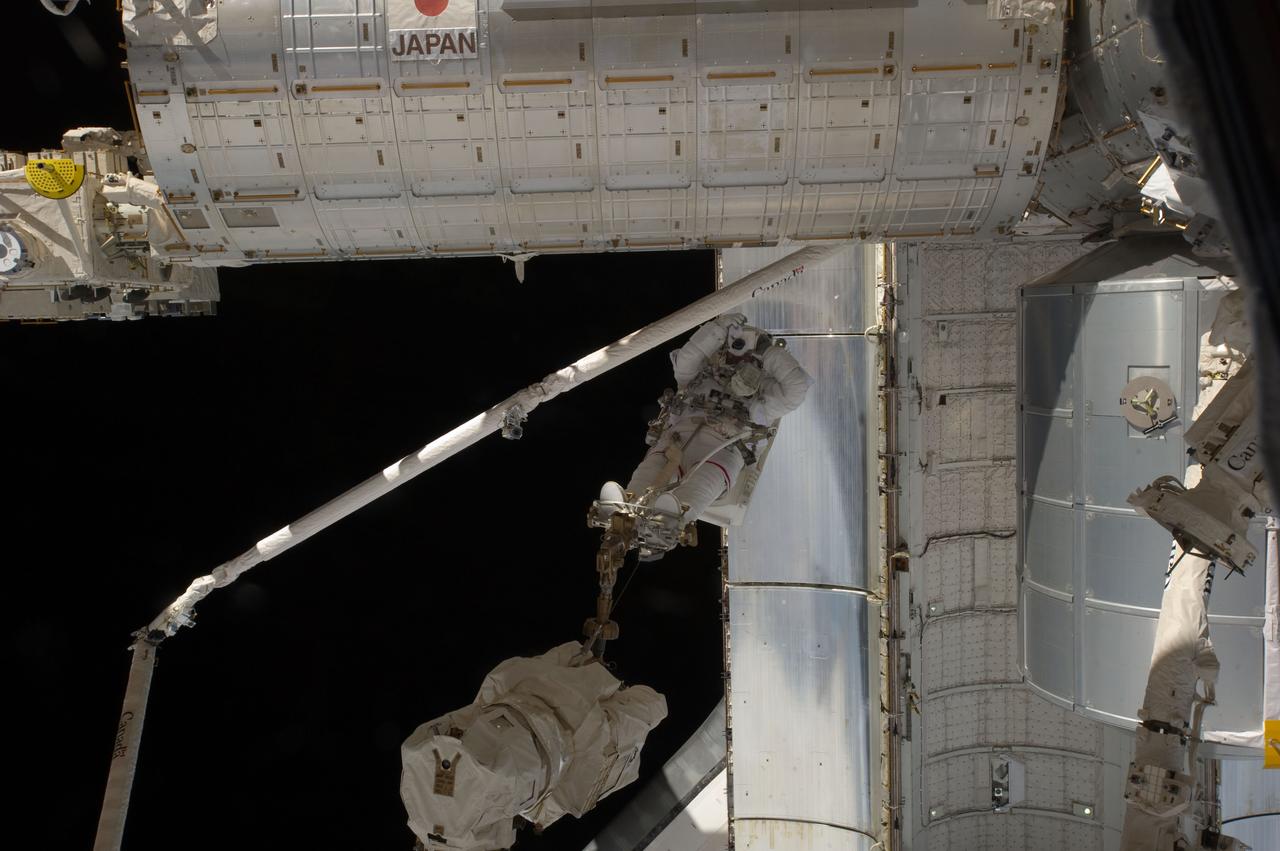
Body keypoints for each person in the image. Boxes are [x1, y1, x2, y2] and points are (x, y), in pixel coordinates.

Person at [599, 312, 813, 535]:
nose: (739, 356)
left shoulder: (764, 398)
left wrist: (766, 350)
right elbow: (687, 358)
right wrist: (718, 328)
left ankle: (668, 526)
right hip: (679, 438)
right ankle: (625, 508)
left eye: (749, 353)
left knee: (701, 485)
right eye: (735, 347)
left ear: (760, 363)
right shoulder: (697, 376)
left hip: (725, 449)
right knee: (652, 471)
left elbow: (796, 388)